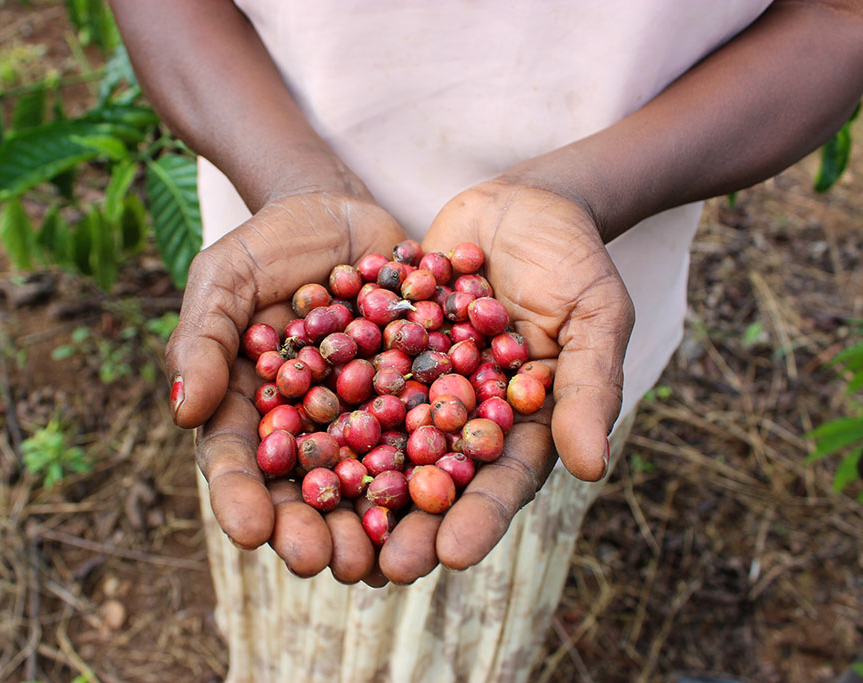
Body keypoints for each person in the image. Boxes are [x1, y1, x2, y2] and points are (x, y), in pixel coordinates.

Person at [110, 1, 863, 680]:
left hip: (563, 297)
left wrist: (582, 192)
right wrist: (287, 179)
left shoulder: (434, 377)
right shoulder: (376, 377)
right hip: (277, 204)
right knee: (283, 571)